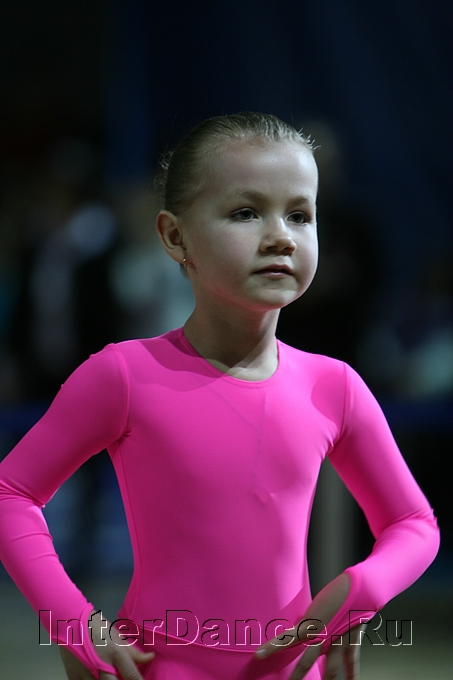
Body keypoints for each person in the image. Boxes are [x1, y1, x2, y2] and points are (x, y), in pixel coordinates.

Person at [0, 113, 440, 680]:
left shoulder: (333, 386)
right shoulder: (124, 375)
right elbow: (11, 493)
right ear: (174, 236)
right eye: (246, 212)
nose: (281, 235)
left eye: (300, 214)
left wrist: (364, 587)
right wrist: (71, 622)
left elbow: (414, 522)